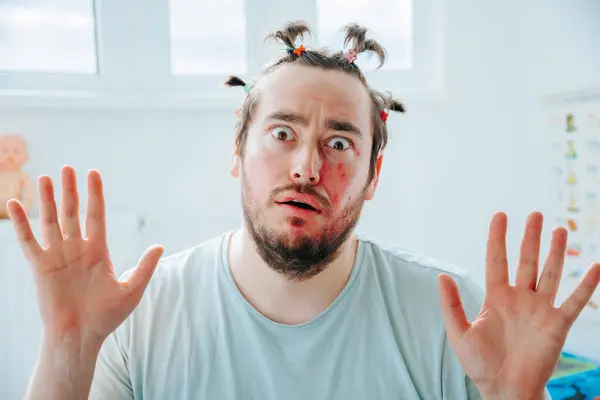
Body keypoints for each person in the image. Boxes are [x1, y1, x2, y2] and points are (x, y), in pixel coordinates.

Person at [8, 21, 599, 400]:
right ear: (238, 151)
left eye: (340, 143)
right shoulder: (137, 315)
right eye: (283, 133)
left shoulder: (456, 320)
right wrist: (68, 344)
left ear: (373, 177)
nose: (306, 167)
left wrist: (521, 398)